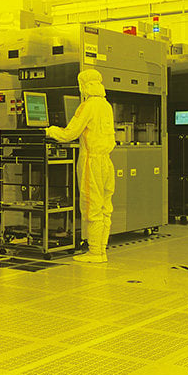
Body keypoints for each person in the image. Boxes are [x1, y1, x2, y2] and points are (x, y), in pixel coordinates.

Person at [45, 69, 116, 263]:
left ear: (83, 86)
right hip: (107, 161)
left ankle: (95, 252)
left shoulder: (87, 106)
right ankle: (101, 250)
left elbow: (70, 133)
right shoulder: (106, 105)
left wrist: (51, 131)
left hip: (91, 161)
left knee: (91, 205)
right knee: (104, 207)